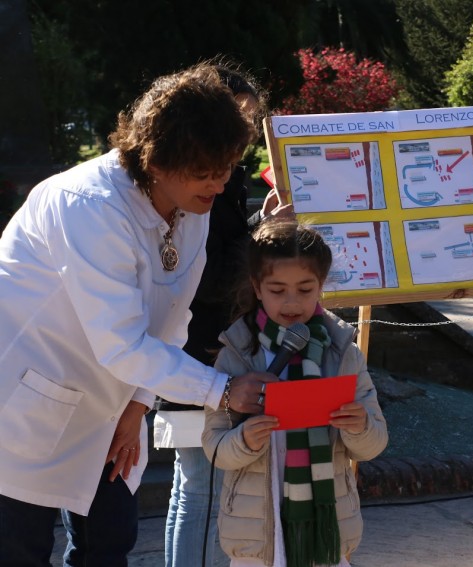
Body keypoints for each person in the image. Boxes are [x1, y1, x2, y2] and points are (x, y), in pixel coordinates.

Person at [0, 62, 279, 566]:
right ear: (157, 159)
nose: (219, 184)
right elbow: (123, 342)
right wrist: (219, 390)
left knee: (109, 546)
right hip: (26, 401)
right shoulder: (88, 205)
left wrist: (135, 409)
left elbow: (173, 320)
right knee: (21, 550)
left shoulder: (191, 203)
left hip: (113, 402)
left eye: (228, 168)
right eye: (205, 172)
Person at [154, 61, 293, 567]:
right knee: (202, 488)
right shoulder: (193, 183)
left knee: (190, 487)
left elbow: (227, 243)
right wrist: (262, 235)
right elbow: (206, 273)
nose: (246, 134)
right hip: (198, 355)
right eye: (240, 118)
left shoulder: (220, 178)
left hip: (191, 357)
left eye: (251, 122)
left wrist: (262, 219)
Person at [202, 219, 388, 567]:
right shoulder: (237, 354)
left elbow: (374, 444)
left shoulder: (342, 352)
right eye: (277, 290)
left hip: (325, 535)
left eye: (305, 289)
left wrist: (358, 426)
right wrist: (245, 439)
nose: (292, 302)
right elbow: (215, 451)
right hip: (256, 536)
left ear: (321, 286)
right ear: (257, 288)